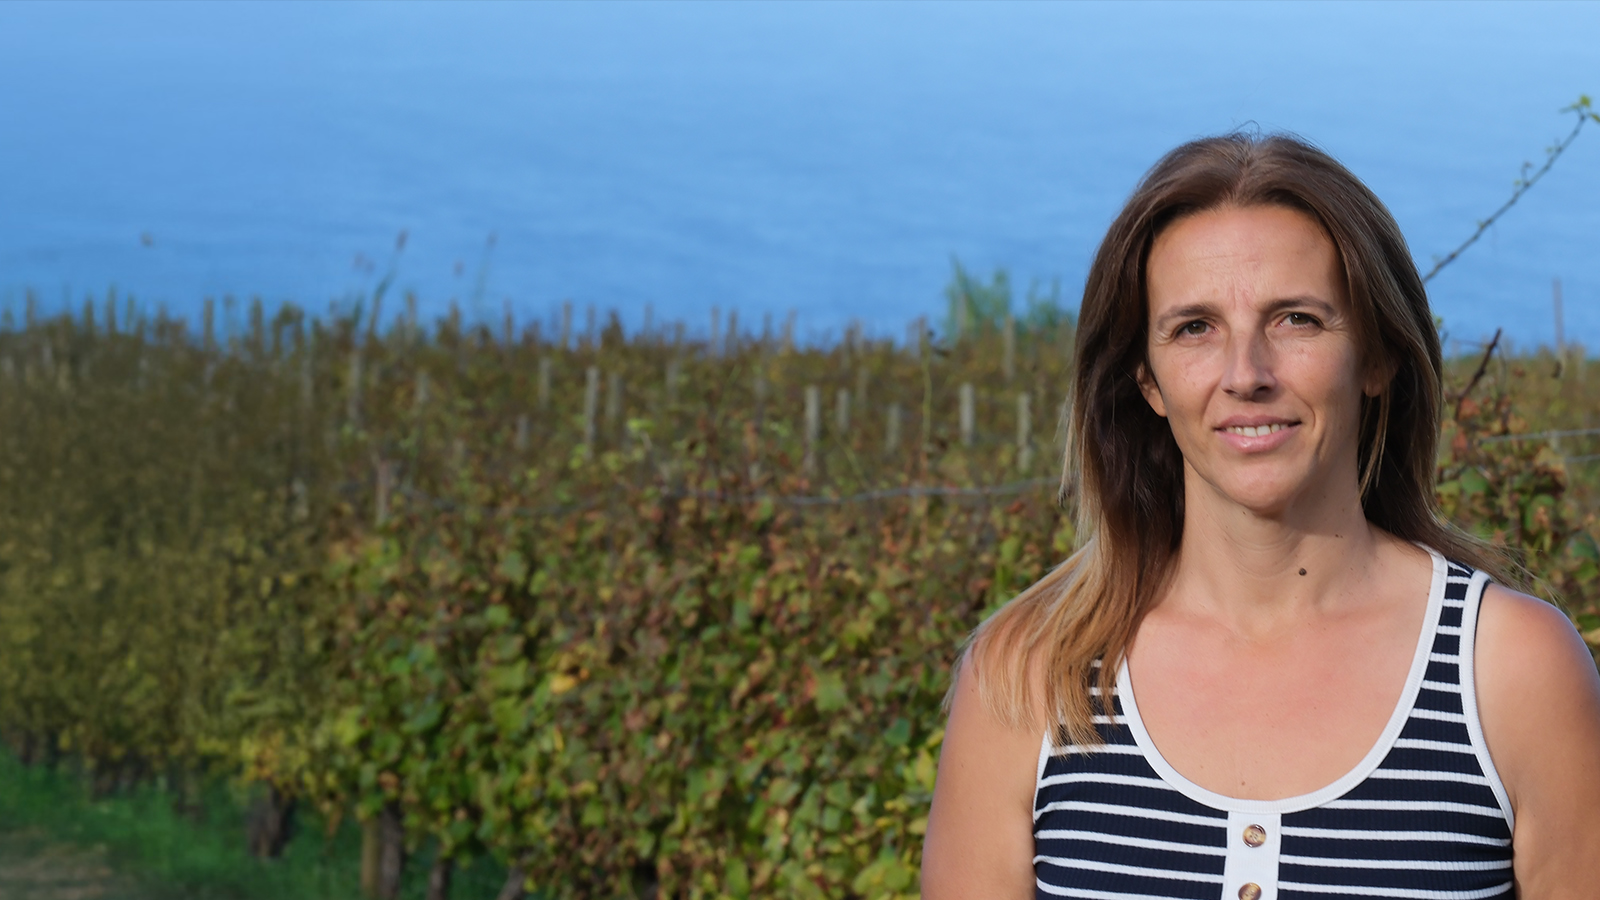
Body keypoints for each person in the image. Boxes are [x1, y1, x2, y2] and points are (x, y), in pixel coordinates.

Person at [921, 133, 1600, 900]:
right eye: (1195, 328)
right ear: (1147, 380)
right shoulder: (1028, 680)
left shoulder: (1509, 670)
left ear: (1377, 357)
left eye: (1296, 320)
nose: (1246, 375)